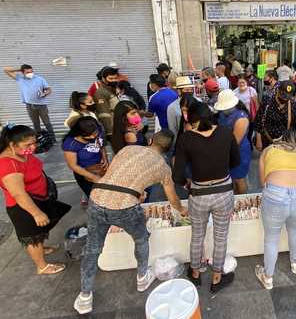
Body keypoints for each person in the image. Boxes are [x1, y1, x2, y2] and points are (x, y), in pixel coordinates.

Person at [74, 130, 185, 315]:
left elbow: (118, 176)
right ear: (167, 150)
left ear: (150, 141)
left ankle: (85, 296)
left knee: (93, 248)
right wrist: (180, 210)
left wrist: (137, 192)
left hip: (97, 197)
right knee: (141, 239)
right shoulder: (163, 168)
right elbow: (172, 198)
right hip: (124, 207)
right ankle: (142, 277)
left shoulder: (128, 149)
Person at [173, 103, 240, 293]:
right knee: (220, 238)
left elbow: (177, 175)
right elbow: (236, 161)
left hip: (199, 195)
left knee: (197, 236)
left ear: (193, 121)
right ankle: (217, 278)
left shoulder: (186, 139)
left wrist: (187, 182)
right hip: (224, 193)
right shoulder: (226, 132)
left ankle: (195, 273)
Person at [0, 125, 71, 275]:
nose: (33, 147)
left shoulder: (21, 152)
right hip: (24, 206)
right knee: (32, 235)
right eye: (28, 145)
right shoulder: (7, 164)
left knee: (40, 230)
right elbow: (19, 194)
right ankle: (42, 266)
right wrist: (36, 213)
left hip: (40, 198)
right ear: (12, 145)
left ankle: (40, 249)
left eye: (34, 142)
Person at [254, 129, 296, 290]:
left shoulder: (268, 150)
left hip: (275, 194)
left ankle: (268, 277)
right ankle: (295, 264)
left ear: (282, 138)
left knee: (271, 238)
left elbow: (263, 181)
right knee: (295, 230)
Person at [3, 64, 56, 143]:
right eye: (28, 72)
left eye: (31, 71)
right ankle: (39, 140)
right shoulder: (20, 79)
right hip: (29, 106)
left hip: (41, 106)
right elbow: (6, 70)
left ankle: (53, 140)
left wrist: (45, 93)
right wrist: (20, 69)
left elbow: (49, 89)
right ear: (23, 72)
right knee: (36, 124)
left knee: (47, 123)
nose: (30, 73)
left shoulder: (39, 79)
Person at [215, 89, 251, 194]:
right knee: (231, 178)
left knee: (239, 179)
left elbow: (235, 142)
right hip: (225, 149)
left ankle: (242, 199)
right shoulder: (223, 113)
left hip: (238, 152)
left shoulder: (241, 118)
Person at [62, 117, 107, 198]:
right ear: (79, 133)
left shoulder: (99, 129)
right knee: (94, 197)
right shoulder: (70, 143)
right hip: (83, 173)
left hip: (100, 167)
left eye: (95, 133)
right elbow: (73, 165)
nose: (93, 137)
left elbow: (102, 145)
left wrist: (105, 159)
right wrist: (93, 177)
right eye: (88, 135)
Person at [255, 80, 296, 151]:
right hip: (267, 140)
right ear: (277, 90)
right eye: (282, 95)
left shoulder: (291, 103)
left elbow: (293, 124)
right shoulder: (267, 100)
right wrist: (258, 140)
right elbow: (258, 121)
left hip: (284, 142)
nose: (284, 98)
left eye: (287, 97)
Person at [167, 76, 198, 143]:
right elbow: (173, 129)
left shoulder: (198, 101)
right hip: (184, 140)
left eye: (191, 90)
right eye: (187, 90)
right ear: (179, 91)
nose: (190, 92)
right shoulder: (172, 107)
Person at [93, 67, 120, 140]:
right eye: (111, 79)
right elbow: (104, 114)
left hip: (119, 125)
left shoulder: (112, 90)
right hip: (113, 129)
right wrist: (110, 132)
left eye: (115, 78)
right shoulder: (100, 93)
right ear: (103, 79)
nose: (114, 80)